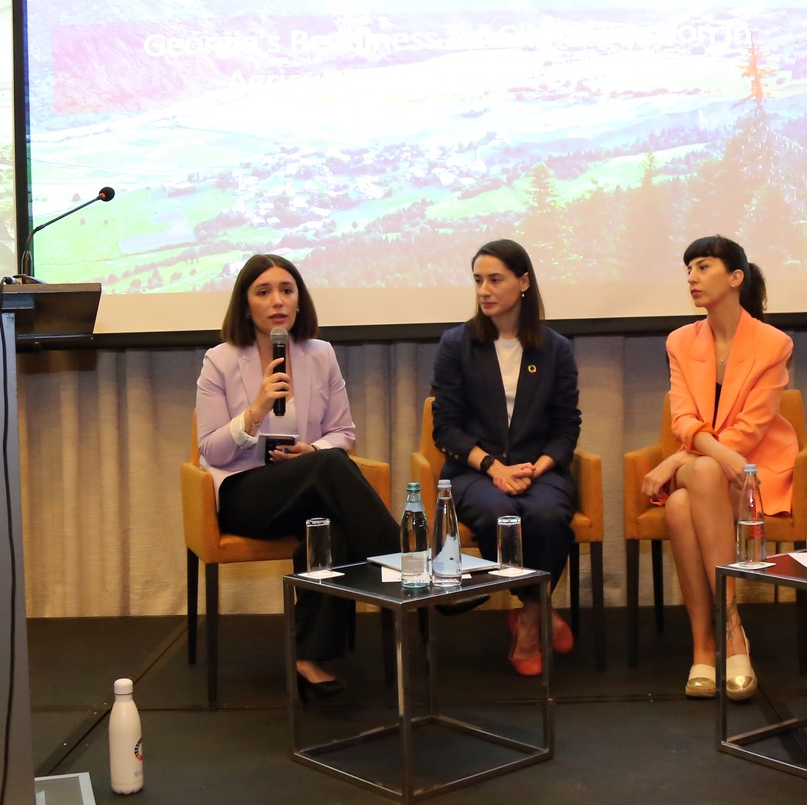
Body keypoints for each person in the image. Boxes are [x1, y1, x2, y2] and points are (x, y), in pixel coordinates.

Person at [196, 254, 398, 698]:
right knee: (331, 468)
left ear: (299, 301)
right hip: (245, 494)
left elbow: (343, 433)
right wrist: (256, 410)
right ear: (245, 304)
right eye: (263, 292)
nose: (277, 301)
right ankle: (407, 564)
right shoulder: (220, 360)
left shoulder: (320, 354)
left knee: (331, 520)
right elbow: (210, 449)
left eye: (287, 290)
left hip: (308, 489)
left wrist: (312, 451)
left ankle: (309, 656)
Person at [639, 236, 796, 702]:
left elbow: (750, 430)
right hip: (715, 466)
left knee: (680, 503)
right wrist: (712, 455)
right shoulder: (680, 341)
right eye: (688, 268)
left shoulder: (773, 344)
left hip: (756, 469)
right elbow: (683, 418)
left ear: (735, 278)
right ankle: (730, 632)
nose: (692, 277)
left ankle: (707, 646)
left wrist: (678, 459)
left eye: (703, 266)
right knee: (705, 474)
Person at [430, 239, 581, 676]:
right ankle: (540, 608)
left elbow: (567, 425)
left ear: (524, 282)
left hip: (539, 470)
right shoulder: (456, 344)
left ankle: (529, 619)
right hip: (475, 471)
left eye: (495, 280)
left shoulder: (555, 348)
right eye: (478, 280)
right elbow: (445, 427)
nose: (484, 290)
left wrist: (539, 466)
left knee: (548, 515)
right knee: (501, 513)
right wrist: (494, 467)